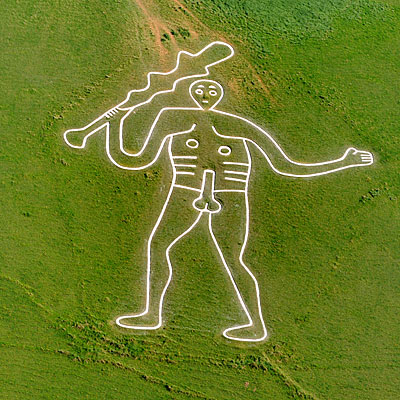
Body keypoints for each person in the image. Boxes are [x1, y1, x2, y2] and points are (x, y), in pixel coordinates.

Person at [64, 78, 373, 342]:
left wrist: (343, 162)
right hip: (185, 191)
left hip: (229, 193)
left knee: (232, 259)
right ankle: (151, 314)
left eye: (212, 91)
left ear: (220, 94)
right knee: (158, 246)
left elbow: (286, 165)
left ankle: (255, 325)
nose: (206, 95)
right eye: (200, 90)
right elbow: (132, 159)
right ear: (191, 93)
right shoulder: (171, 118)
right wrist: (114, 123)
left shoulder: (236, 125)